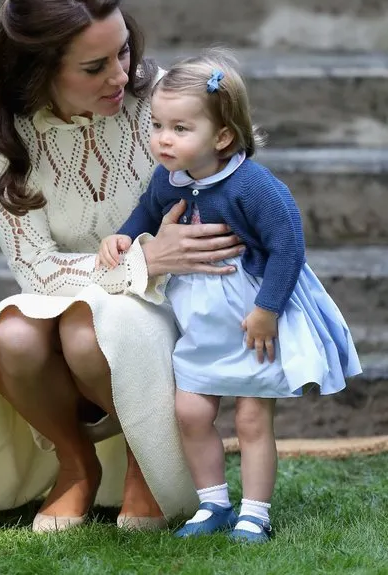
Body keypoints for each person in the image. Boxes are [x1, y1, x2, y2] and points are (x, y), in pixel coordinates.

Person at [0, 0, 247, 532]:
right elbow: (34, 266)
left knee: (88, 330)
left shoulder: (159, 99)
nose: (121, 77)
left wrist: (153, 268)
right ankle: (75, 464)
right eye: (95, 66)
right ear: (38, 69)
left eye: (124, 52)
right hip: (90, 287)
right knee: (14, 334)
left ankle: (145, 462)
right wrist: (140, 261)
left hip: (175, 301)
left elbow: (222, 222)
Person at [97, 48, 362, 543]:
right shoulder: (168, 179)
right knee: (192, 410)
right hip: (199, 319)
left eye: (179, 128)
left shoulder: (253, 187)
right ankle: (213, 503)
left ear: (222, 136)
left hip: (249, 317)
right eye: (157, 124)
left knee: (251, 415)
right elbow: (146, 215)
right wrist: (124, 236)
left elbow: (288, 247)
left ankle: (255, 512)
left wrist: (267, 312)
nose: (162, 138)